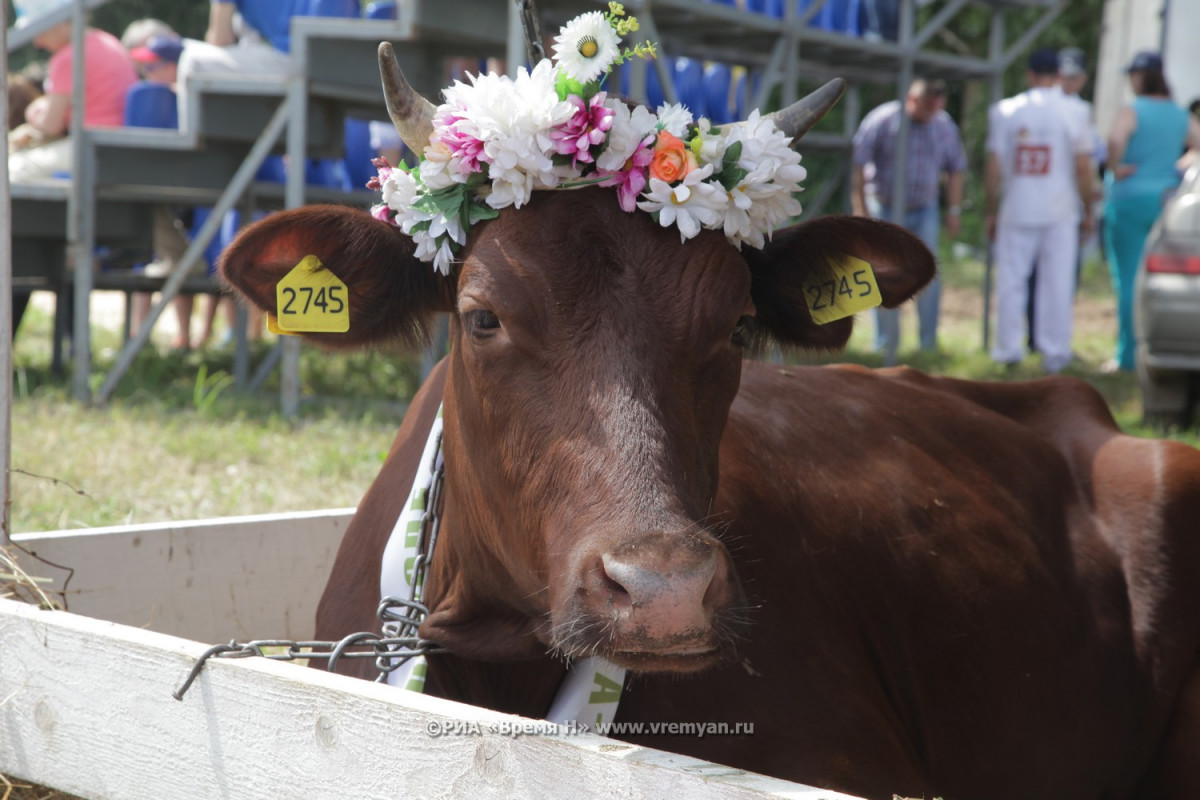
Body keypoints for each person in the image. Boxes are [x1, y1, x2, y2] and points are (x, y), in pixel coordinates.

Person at [985, 47, 1094, 374]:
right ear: (1058, 74)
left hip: (1017, 208)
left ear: (1030, 74)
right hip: (1060, 209)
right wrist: (1088, 209)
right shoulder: (1075, 110)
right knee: (1057, 283)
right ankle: (1055, 352)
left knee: (1011, 282)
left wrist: (991, 208)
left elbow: (994, 166)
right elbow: (1083, 166)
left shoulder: (1005, 111)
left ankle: (1008, 350)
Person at [851, 78, 967, 365]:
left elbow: (956, 168)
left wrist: (954, 210)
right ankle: (885, 343)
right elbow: (858, 163)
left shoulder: (944, 125)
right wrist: (860, 210)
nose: (930, 115)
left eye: (935, 109)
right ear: (912, 99)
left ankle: (927, 345)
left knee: (929, 272)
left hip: (924, 209)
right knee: (882, 274)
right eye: (926, 108)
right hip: (884, 207)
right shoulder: (882, 119)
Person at [1102, 51, 1200, 372]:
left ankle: (1128, 356)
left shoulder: (1132, 110)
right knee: (1164, 279)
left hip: (1129, 199)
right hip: (1166, 200)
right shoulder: (1178, 113)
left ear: (1139, 77)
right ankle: (1159, 346)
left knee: (1129, 278)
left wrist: (1115, 167)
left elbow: (1115, 142)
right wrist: (1177, 168)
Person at [7, 4, 137, 182]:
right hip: (119, 147)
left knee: (13, 170)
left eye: (39, 31)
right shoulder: (108, 41)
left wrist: (34, 114)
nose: (36, 42)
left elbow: (51, 125)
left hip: (92, 148)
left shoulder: (68, 57)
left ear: (59, 22)